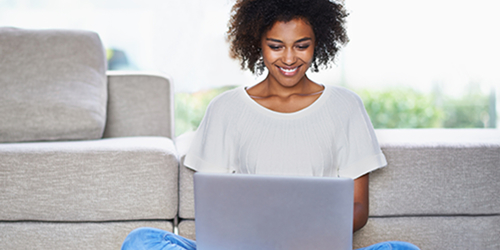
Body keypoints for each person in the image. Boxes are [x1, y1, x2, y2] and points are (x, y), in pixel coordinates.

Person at [122, 0, 420, 249]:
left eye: (301, 46)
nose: (289, 58)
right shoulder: (226, 108)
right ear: (257, 44)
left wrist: (303, 237)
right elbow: (215, 210)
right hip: (246, 248)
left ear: (319, 43)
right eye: (276, 46)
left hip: (316, 247)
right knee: (141, 241)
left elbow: (358, 207)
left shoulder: (346, 106)